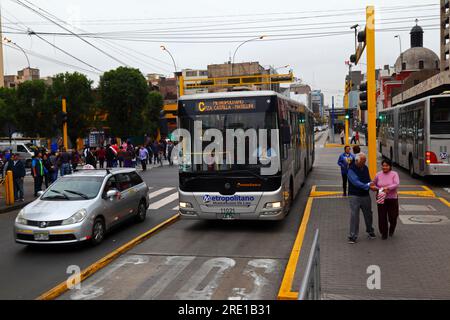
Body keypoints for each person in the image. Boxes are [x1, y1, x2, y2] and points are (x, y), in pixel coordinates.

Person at [347, 152, 376, 244]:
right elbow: (356, 182)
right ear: (357, 161)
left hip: (365, 195)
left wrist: (372, 185)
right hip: (354, 195)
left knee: (368, 214)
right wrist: (368, 186)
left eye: (365, 161)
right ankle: (353, 236)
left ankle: (370, 231)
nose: (364, 163)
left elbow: (368, 179)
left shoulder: (365, 168)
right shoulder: (351, 169)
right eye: (363, 162)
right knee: (354, 215)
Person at [371, 159, 400, 240]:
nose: (384, 167)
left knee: (393, 216)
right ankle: (384, 233)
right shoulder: (378, 174)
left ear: (390, 166)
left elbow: (396, 184)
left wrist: (388, 188)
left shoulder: (394, 174)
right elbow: (374, 183)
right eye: (383, 165)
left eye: (386, 166)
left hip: (392, 198)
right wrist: (376, 188)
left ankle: (392, 228)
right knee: (382, 216)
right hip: (381, 196)